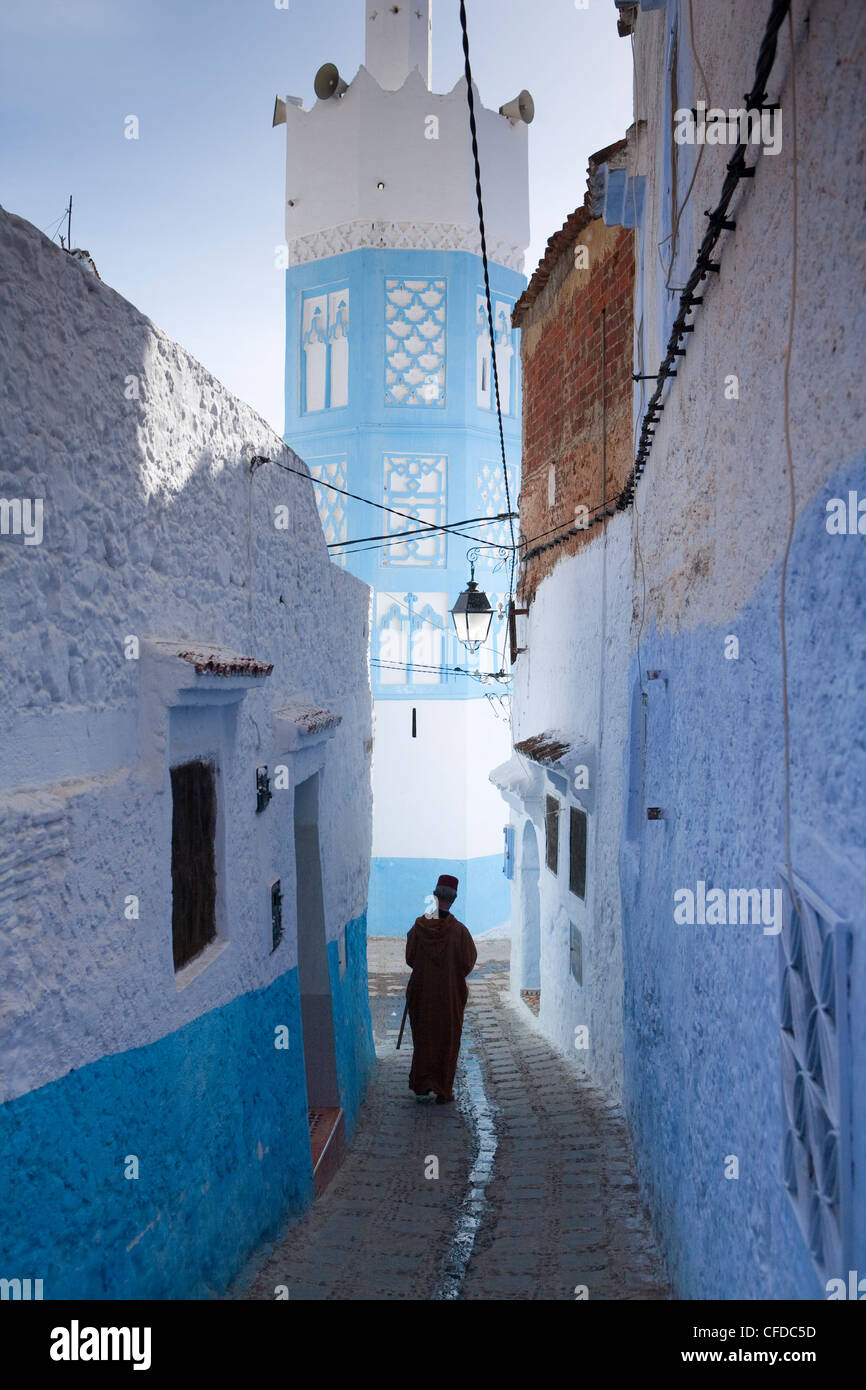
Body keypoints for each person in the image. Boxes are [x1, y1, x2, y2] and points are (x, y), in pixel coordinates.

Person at [405, 874, 477, 1104]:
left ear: (435, 896)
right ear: (454, 899)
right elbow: (467, 963)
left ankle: (422, 1084)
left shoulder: (418, 928)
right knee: (446, 1040)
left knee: (424, 1038)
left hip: (422, 994)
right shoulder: (460, 933)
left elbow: (410, 958)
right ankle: (442, 1088)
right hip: (448, 996)